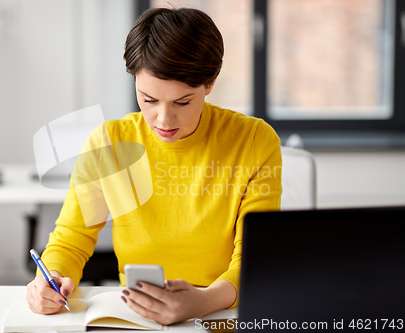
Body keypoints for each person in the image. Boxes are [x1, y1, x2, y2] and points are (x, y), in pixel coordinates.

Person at [26, 7, 282, 325]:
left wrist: (203, 302)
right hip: (136, 318)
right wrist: (50, 277)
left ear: (210, 83)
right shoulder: (109, 142)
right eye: (148, 100)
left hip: (226, 313)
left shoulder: (255, 141)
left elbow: (255, 257)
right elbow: (72, 236)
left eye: (182, 102)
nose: (163, 119)